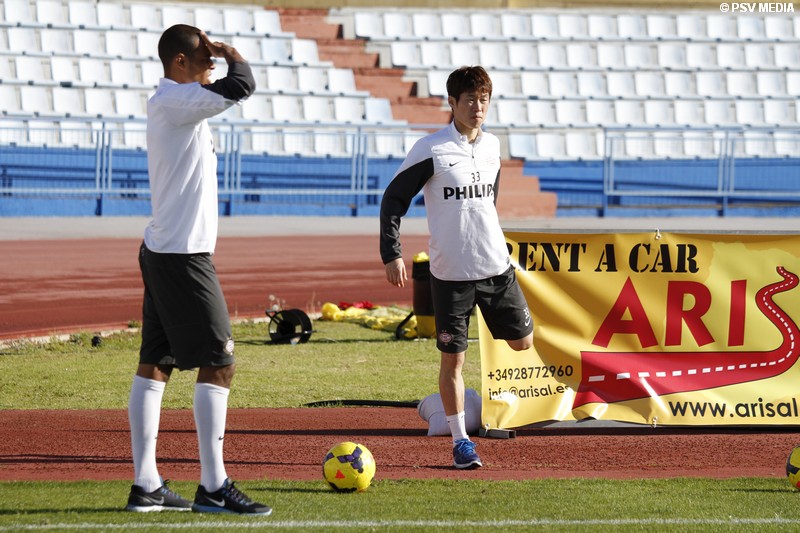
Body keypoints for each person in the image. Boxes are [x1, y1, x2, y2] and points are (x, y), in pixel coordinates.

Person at [125, 24, 270, 515]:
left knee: (157, 365)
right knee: (221, 362)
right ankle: (214, 485)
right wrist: (230, 52)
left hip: (169, 251)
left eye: (213, 57)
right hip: (182, 258)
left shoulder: (180, 103)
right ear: (179, 63)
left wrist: (213, 57)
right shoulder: (176, 100)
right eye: (203, 57)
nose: (210, 64)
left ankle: (146, 485)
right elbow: (243, 84)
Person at [380, 66, 534, 469]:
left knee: (523, 343)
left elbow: (489, 201)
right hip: (450, 276)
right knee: (454, 360)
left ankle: (443, 402)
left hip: (496, 267)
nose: (478, 107)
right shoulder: (430, 148)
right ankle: (461, 440)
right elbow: (393, 200)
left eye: (483, 99)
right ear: (452, 103)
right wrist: (391, 253)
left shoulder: (492, 146)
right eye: (469, 100)